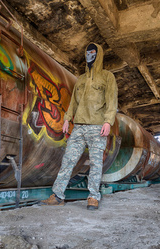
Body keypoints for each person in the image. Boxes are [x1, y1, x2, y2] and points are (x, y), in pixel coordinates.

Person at [40, 43, 118, 210]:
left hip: (97, 127)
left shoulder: (107, 77)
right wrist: (67, 119)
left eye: (93, 52)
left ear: (99, 55)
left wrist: (108, 121)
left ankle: (93, 197)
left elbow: (112, 100)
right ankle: (58, 195)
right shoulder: (81, 79)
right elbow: (74, 102)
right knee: (68, 160)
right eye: (88, 52)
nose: (90, 55)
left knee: (96, 164)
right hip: (79, 127)